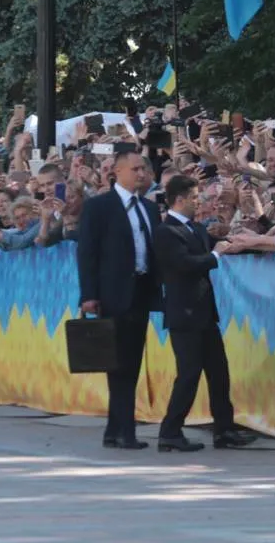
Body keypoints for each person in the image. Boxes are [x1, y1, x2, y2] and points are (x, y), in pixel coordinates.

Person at [152, 175, 256, 452]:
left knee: (218, 372)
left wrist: (227, 240)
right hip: (184, 314)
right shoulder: (166, 231)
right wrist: (216, 256)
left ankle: (224, 430)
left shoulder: (196, 228)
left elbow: (212, 245)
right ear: (180, 199)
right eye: (195, 198)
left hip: (205, 313)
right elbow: (182, 264)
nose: (199, 203)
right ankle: (170, 431)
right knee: (188, 374)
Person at [76, 151, 161, 450]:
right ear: (117, 171)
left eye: (144, 168)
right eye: (135, 168)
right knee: (119, 364)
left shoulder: (149, 210)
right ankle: (125, 430)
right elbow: (87, 253)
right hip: (112, 295)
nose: (141, 173)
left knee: (131, 361)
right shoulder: (100, 207)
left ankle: (114, 429)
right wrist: (88, 295)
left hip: (140, 292)